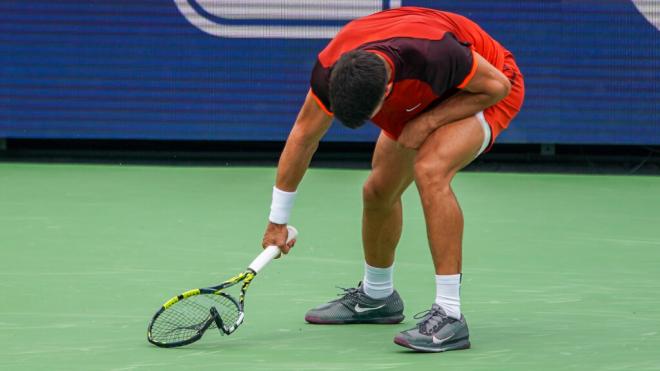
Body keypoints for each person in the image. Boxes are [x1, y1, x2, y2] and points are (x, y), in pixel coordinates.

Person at [261, 6, 524, 352]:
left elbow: (497, 87)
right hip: (423, 90)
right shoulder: (331, 69)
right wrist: (277, 221)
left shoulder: (434, 53)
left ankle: (450, 315)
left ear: (386, 93)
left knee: (430, 171)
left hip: (485, 85)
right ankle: (377, 295)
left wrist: (428, 123)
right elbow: (303, 137)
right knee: (377, 190)